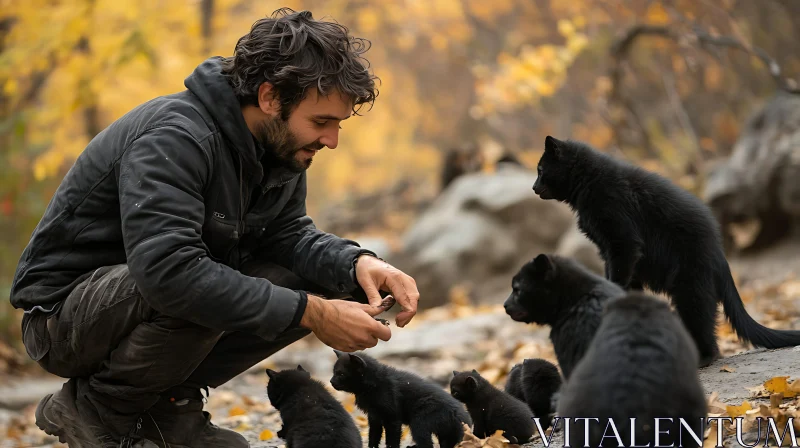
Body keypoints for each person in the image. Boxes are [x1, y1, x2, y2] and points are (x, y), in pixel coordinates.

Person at [10, 8, 420, 447]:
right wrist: (313, 312)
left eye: (337, 124)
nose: (332, 140)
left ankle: (167, 407)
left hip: (145, 300)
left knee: (339, 282)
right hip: (63, 319)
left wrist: (358, 262)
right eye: (321, 122)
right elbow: (171, 273)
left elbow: (287, 236)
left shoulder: (280, 145)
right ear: (269, 97)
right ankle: (100, 408)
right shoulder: (176, 136)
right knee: (198, 279)